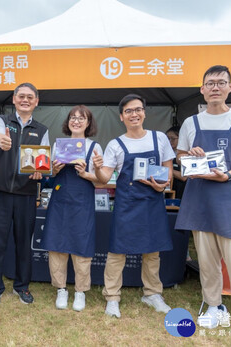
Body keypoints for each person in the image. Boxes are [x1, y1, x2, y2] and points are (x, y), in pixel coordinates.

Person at [175, 65, 231, 345]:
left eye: (221, 82)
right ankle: (214, 305)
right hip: (200, 198)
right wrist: (189, 155)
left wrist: (227, 174)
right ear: (202, 89)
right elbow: (180, 156)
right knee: (207, 261)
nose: (215, 87)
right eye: (210, 83)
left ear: (230, 87)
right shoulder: (192, 123)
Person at [95, 94, 174, 318]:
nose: (134, 114)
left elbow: (168, 170)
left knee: (152, 251)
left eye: (138, 109)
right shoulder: (115, 145)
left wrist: (162, 186)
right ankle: (112, 297)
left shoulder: (159, 139)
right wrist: (98, 167)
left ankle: (152, 293)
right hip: (126, 204)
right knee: (117, 252)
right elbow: (104, 178)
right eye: (129, 111)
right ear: (121, 117)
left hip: (152, 201)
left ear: (144, 113)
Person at [0, 82, 50, 306]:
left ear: (36, 102)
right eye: (21, 96)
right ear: (14, 99)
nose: (25, 100)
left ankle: (22, 286)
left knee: (24, 243)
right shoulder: (2, 121)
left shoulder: (42, 130)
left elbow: (43, 163)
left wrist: (40, 173)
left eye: (30, 97)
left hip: (26, 194)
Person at [40, 105, 104, 312]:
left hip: (82, 202)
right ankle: (61, 289)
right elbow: (47, 177)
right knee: (56, 245)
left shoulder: (94, 147)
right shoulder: (58, 146)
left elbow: (102, 180)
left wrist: (87, 174)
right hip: (59, 201)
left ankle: (80, 291)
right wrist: (53, 169)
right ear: (68, 122)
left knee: (82, 245)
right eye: (72, 118)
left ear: (88, 123)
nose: (76, 121)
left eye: (81, 118)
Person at [165, 126, 186, 199]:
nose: (170, 141)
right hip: (168, 192)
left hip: (181, 192)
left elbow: (184, 177)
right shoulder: (166, 154)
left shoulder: (186, 155)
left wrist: (167, 170)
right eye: (167, 138)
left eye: (173, 139)